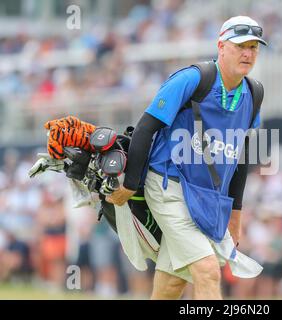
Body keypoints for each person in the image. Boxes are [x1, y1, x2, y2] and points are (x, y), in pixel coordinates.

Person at [106, 15, 267, 300]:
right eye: (241, 45)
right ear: (221, 46)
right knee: (207, 270)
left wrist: (236, 214)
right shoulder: (193, 78)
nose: (248, 53)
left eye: (254, 47)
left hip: (206, 198)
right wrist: (130, 185)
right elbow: (145, 128)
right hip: (169, 187)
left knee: (171, 286)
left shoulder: (254, 93)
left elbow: (240, 158)